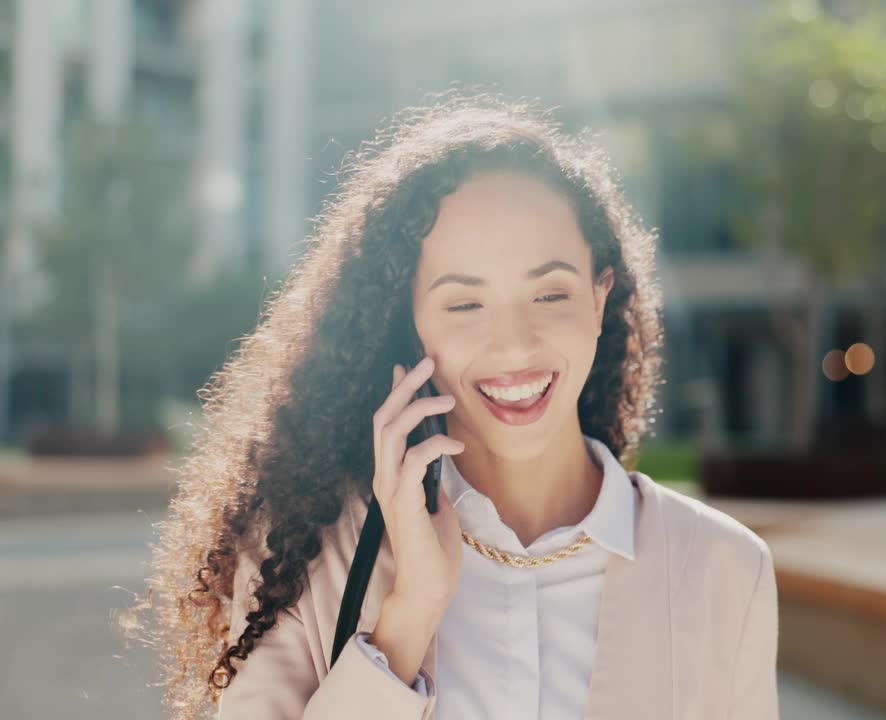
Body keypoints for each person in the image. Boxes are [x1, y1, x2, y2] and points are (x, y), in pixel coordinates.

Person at [136, 94, 778, 719]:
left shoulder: (723, 568)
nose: (515, 344)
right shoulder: (303, 554)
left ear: (599, 298)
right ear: (413, 326)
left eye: (550, 294)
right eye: (464, 304)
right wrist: (408, 614)